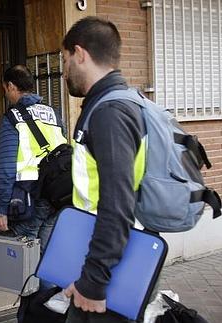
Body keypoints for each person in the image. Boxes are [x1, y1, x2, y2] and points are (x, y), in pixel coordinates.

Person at [61, 17, 146, 323]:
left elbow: (117, 203)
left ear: (80, 54)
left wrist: (94, 281)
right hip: (113, 256)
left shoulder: (110, 112)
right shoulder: (116, 103)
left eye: (66, 59)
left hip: (112, 268)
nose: (64, 70)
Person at [0, 65, 66, 252]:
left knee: (23, 258)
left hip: (29, 196)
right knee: (48, 255)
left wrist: (1, 208)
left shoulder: (12, 118)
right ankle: (47, 281)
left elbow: (7, 167)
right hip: (56, 194)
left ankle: (30, 282)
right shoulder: (53, 113)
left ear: (10, 86)